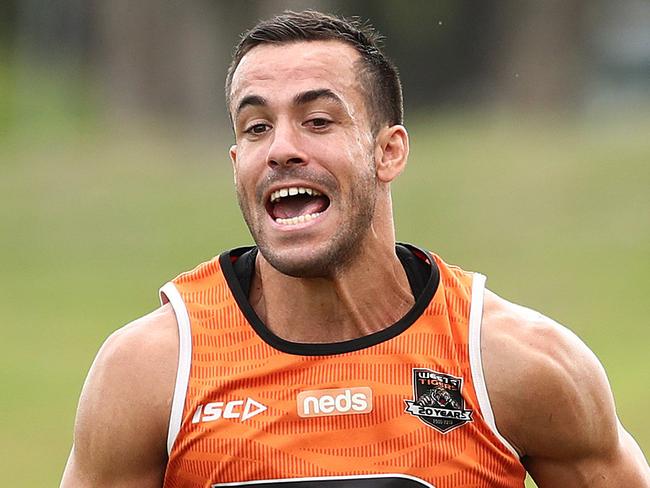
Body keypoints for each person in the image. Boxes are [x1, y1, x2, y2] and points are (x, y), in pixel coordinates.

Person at [60, 10, 649, 488]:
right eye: (257, 127)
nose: (281, 149)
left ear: (388, 152)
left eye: (318, 120)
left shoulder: (513, 362)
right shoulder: (151, 371)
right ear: (236, 162)